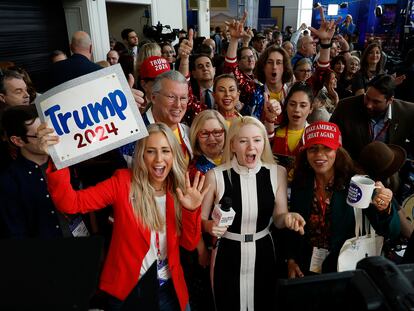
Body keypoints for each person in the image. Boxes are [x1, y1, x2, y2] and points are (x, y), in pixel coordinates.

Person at [38, 122, 209, 311]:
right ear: (141, 154)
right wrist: (56, 158)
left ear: (173, 154)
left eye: (165, 151)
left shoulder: (180, 189)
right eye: (151, 151)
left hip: (170, 289)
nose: (159, 159)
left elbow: (190, 244)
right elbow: (71, 204)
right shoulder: (122, 182)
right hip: (129, 291)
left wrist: (192, 211)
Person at [201, 116, 305, 310]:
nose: (251, 147)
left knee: (264, 303)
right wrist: (209, 226)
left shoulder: (277, 172)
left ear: (264, 142)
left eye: (257, 140)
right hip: (227, 255)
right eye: (243, 141)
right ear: (232, 145)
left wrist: (288, 217)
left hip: (265, 253)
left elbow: (279, 217)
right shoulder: (215, 176)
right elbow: (200, 220)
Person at [286, 121, 400, 276]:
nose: (319, 155)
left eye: (327, 148)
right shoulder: (301, 183)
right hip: (307, 269)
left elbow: (392, 232)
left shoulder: (358, 183)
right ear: (305, 153)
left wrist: (385, 208)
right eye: (313, 149)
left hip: (345, 270)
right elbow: (293, 226)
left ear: (337, 151)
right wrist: (291, 259)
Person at [0, 105, 87, 238]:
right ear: (18, 141)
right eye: (39, 136)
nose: (49, 138)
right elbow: (16, 232)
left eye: (48, 131)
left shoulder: (65, 160)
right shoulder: (10, 181)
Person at [182, 110, 228, 311]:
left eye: (217, 132)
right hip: (208, 246)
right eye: (205, 134)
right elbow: (190, 217)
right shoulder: (194, 171)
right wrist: (201, 248)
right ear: (196, 137)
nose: (212, 138)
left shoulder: (235, 160)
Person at [330, 74, 414, 160]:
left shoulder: (408, 112)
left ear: (390, 100)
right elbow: (329, 140)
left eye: (376, 102)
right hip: (353, 166)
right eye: (367, 98)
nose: (369, 105)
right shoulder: (345, 107)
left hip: (388, 168)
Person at [271, 82, 313, 181]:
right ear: (286, 106)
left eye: (303, 105)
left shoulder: (313, 136)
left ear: (311, 109)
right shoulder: (273, 133)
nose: (296, 110)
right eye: (292, 104)